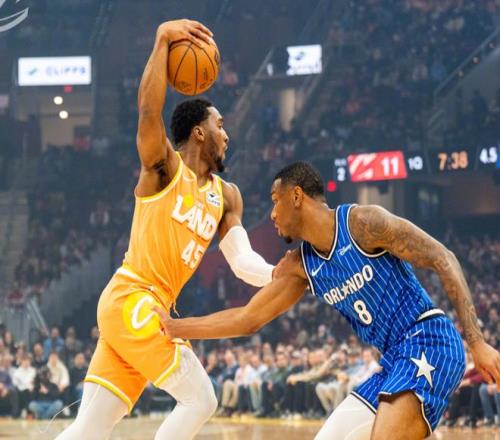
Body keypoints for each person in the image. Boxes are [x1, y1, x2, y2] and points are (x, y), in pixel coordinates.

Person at [155, 161, 500, 439]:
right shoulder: (301, 266)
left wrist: (477, 342)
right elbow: (247, 319)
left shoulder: (363, 223)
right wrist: (174, 327)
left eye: (275, 200)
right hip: (394, 361)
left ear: (296, 195)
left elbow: (443, 258)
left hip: (430, 341)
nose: (271, 214)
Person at [56, 19, 275, 440]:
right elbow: (147, 112)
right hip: (136, 300)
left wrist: (278, 274)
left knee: (90, 428)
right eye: (221, 125)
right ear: (199, 131)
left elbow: (243, 262)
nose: (227, 135)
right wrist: (161, 40)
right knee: (201, 399)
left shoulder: (228, 196)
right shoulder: (164, 169)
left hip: (138, 308)